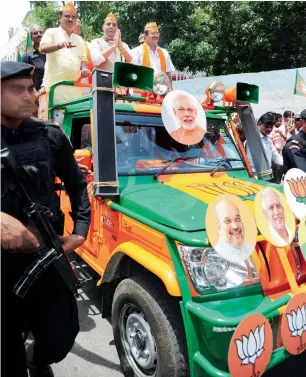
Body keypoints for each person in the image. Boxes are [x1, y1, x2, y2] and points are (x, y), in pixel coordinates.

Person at [1, 61, 91, 377]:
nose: (32, 95)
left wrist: (80, 230)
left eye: (32, 88)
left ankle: (37, 357)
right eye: (19, 90)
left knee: (60, 338)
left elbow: (77, 184)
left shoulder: (49, 136)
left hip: (46, 255)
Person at [39, 1, 90, 105]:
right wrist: (59, 45)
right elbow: (42, 48)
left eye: (73, 17)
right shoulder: (51, 32)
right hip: (55, 88)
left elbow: (83, 60)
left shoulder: (79, 40)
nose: (70, 19)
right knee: (55, 120)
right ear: (60, 18)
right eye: (67, 16)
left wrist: (84, 69)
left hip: (75, 89)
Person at [130, 22, 175, 90]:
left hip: (161, 92)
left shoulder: (164, 52)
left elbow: (168, 73)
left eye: (157, 33)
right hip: (143, 92)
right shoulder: (136, 52)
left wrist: (170, 90)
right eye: (153, 33)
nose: (156, 36)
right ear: (145, 36)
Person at [214, 200, 254, 264]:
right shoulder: (215, 258)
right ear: (219, 227)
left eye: (237, 219)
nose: (235, 226)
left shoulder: (250, 250)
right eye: (227, 221)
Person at [245, 112, 283, 179]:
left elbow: (276, 157)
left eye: (271, 127)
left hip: (267, 176)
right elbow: (250, 161)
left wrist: (289, 163)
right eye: (267, 127)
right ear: (260, 123)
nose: (269, 129)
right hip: (255, 177)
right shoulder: (252, 139)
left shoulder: (268, 140)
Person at [22, 26, 46, 92]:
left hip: (55, 92)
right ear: (31, 38)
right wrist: (34, 92)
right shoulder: (27, 56)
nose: (39, 34)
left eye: (41, 32)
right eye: (35, 33)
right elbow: (25, 77)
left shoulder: (52, 52)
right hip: (38, 95)